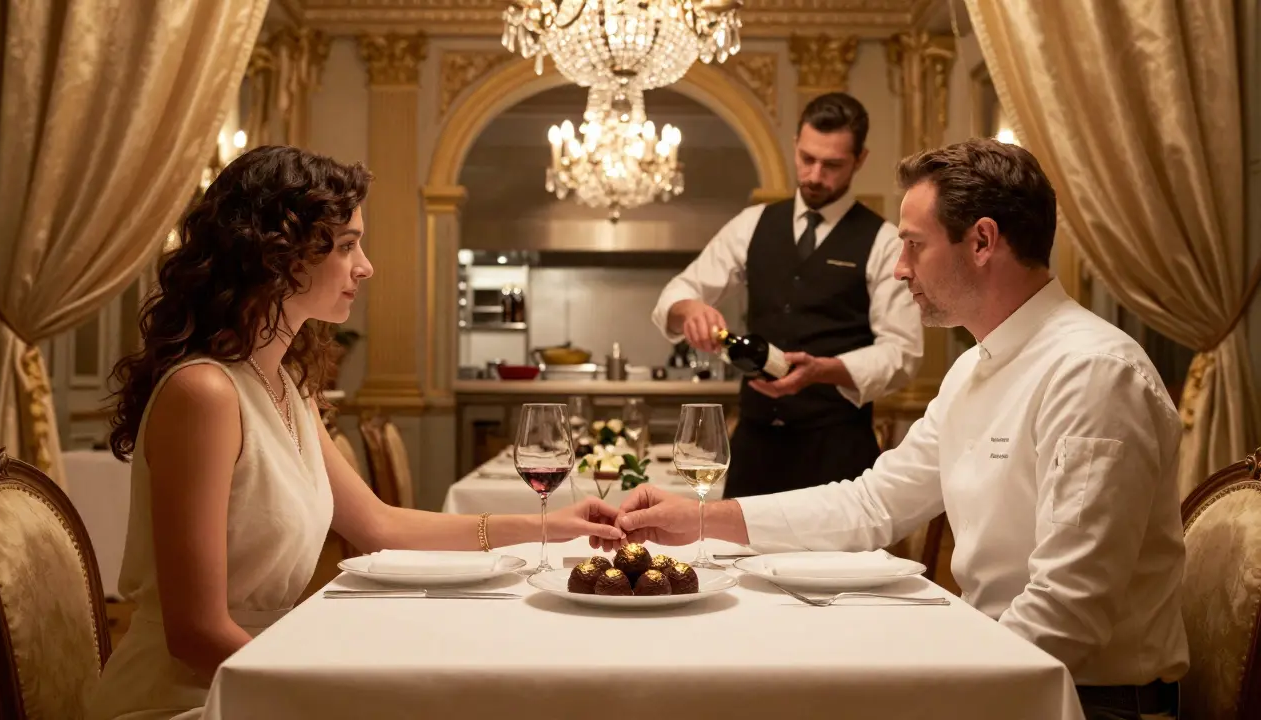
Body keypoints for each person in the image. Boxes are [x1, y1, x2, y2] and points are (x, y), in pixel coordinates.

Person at [614, 138, 1188, 719]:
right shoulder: (973, 368)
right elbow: (873, 504)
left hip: (1084, 700)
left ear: (983, 241)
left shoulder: (1093, 372)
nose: (898, 267)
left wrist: (933, 695)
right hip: (999, 663)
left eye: (913, 245)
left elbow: (1067, 613)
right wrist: (701, 519)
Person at [86, 146, 625, 720]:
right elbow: (194, 634)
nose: (365, 266)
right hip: (195, 696)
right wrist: (326, 695)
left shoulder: (285, 386)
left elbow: (380, 525)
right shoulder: (205, 393)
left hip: (259, 671)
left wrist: (548, 526)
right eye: (346, 245)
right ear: (275, 255)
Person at [651, 92, 923, 499]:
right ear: (795, 144)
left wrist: (822, 370)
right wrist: (690, 310)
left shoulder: (883, 241)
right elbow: (678, 292)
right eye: (807, 159)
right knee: (734, 563)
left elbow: (902, 353)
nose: (815, 175)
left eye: (832, 165)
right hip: (755, 448)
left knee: (836, 566)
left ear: (860, 160)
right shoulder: (753, 224)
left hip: (837, 451)